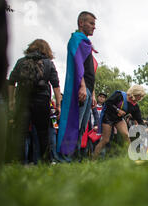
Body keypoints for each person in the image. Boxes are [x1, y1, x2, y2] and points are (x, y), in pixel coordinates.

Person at [8, 39, 62, 163]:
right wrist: (58, 105)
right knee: (43, 134)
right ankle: (45, 163)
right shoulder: (48, 63)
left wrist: (11, 101)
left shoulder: (21, 62)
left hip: (23, 99)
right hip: (42, 101)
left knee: (20, 133)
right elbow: (56, 85)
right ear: (46, 50)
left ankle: (18, 163)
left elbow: (11, 81)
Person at [57, 11, 97, 159]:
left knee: (82, 127)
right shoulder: (76, 39)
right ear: (81, 23)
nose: (94, 27)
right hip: (81, 88)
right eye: (91, 23)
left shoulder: (85, 42)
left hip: (88, 89)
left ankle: (75, 157)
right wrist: (82, 86)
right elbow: (77, 64)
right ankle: (64, 157)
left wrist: (92, 93)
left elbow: (89, 70)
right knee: (74, 123)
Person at [93, 85, 148, 159]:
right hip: (108, 117)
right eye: (140, 96)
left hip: (118, 119)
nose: (140, 98)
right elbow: (108, 103)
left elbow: (140, 120)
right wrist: (118, 110)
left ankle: (129, 158)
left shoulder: (135, 106)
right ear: (135, 93)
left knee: (126, 135)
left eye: (141, 96)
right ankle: (93, 159)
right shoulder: (120, 95)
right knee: (105, 140)